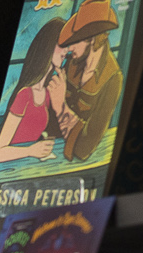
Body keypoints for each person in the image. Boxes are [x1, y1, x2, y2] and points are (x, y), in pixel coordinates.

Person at [0, 17, 68, 165]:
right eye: (62, 44)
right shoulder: (24, 95)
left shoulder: (46, 94)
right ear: (48, 45)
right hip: (8, 168)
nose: (67, 50)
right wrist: (31, 150)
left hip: (28, 166)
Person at [54, 1, 123, 162]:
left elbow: (85, 146)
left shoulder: (113, 78)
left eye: (75, 41)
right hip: (49, 151)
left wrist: (60, 106)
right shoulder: (72, 62)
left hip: (78, 164)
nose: (69, 49)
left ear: (91, 39)